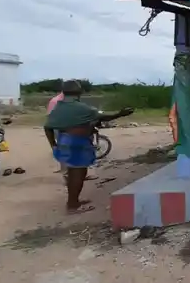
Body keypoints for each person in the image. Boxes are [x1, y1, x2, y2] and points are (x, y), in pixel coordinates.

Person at [44, 80, 133, 214]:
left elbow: (47, 127)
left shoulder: (59, 107)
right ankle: (73, 205)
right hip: (77, 143)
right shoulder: (81, 108)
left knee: (73, 173)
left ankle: (74, 200)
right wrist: (120, 114)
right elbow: (103, 117)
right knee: (78, 174)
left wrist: (54, 145)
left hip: (64, 141)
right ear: (79, 92)